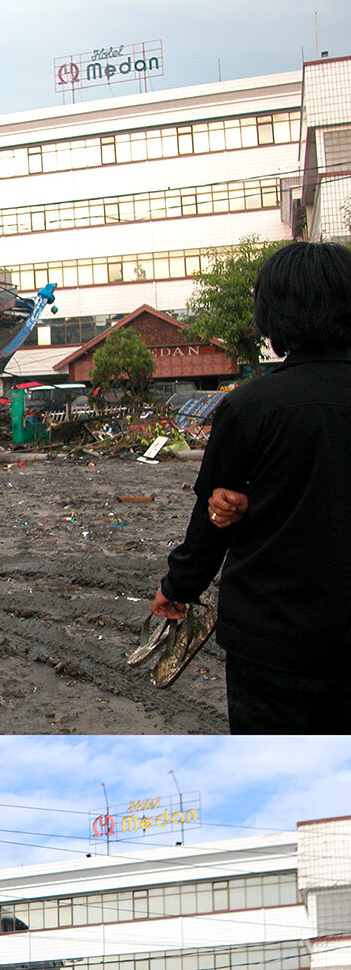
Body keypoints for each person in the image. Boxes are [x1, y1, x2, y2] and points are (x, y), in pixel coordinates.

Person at [149, 240, 351, 733]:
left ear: (272, 316)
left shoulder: (251, 408)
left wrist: (178, 588)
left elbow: (212, 516)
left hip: (272, 640)